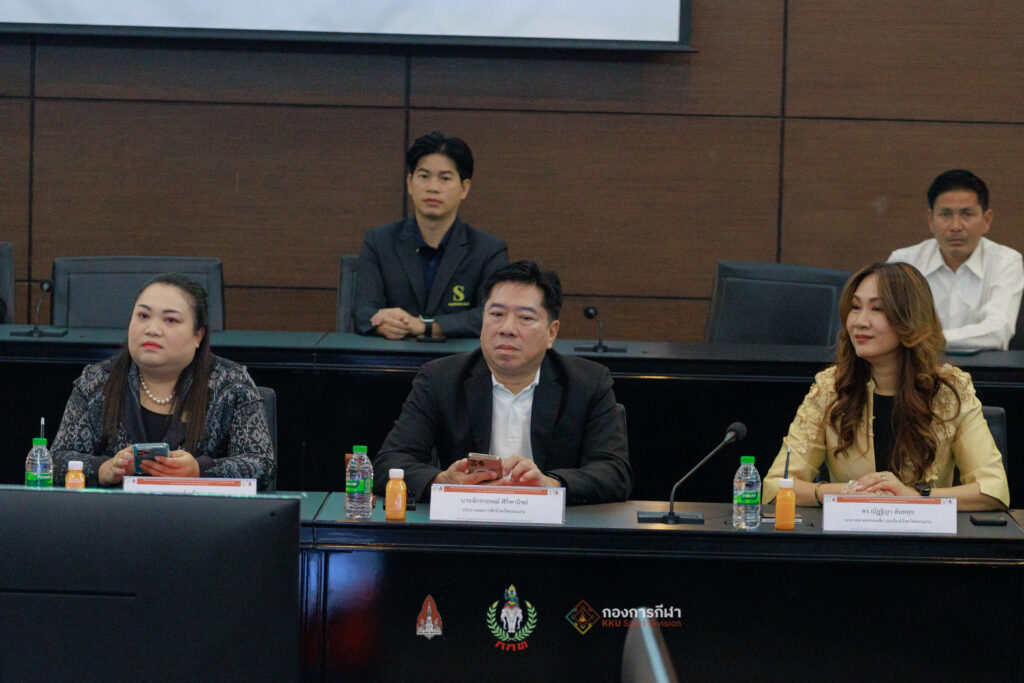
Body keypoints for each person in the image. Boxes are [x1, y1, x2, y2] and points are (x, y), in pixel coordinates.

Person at [372, 260, 633, 504]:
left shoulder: (587, 383)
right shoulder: (440, 379)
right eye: (496, 314)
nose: (507, 328)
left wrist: (551, 484)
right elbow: (389, 462)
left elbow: (615, 472)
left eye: (525, 318)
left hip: (554, 530)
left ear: (551, 333)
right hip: (466, 525)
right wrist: (443, 481)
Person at [763, 262, 1008, 511]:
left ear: (909, 319)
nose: (860, 321)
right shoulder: (830, 388)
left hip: (924, 535)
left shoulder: (949, 389)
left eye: (877, 309)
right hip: (849, 534)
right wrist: (844, 492)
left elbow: (994, 489)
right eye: (855, 307)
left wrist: (914, 497)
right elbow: (775, 487)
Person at [51, 273, 276, 490]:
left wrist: (199, 470)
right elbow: (56, 460)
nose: (152, 330)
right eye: (143, 316)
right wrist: (104, 469)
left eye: (170, 320)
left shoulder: (231, 384)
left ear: (198, 335)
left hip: (199, 513)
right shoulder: (96, 381)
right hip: (115, 513)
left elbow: (261, 465)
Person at [353, 131, 509, 339]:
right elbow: (363, 311)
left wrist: (426, 326)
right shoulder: (379, 242)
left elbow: (494, 314)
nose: (433, 188)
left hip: (461, 358)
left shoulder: (488, 250)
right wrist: (383, 324)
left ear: (464, 188)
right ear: (410, 183)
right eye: (424, 176)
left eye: (445, 178)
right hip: (394, 355)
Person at [887, 169, 1023, 350]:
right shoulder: (904, 262)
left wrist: (930, 340)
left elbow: (998, 331)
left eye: (967, 214)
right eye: (946, 214)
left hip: (983, 367)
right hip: (916, 365)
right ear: (930, 220)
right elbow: (889, 325)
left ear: (987, 220)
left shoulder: (1005, 261)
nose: (956, 226)